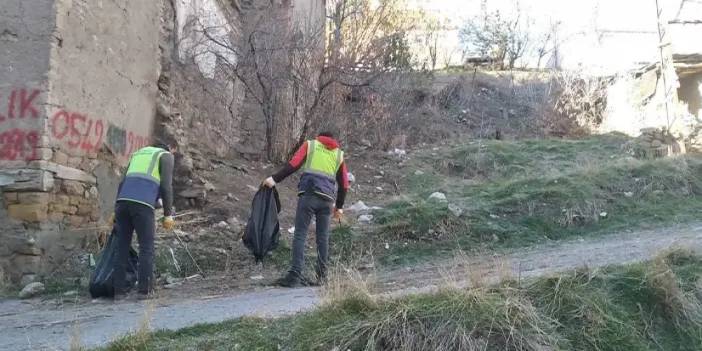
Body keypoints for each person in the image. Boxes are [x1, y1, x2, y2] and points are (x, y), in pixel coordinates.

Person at [263, 131, 350, 287]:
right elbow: (344, 183)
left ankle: (295, 275)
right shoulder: (339, 154)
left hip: (309, 196)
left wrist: (274, 179)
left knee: (300, 234)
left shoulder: (311, 145)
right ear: (333, 140)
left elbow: (293, 165)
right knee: (323, 238)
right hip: (327, 201)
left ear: (320, 137)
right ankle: (322, 277)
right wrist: (340, 207)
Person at [113, 141, 176, 299]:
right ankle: (144, 291)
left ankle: (118, 292)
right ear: (168, 148)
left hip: (122, 203)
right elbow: (166, 186)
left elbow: (124, 182)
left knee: (122, 247)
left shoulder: (138, 154)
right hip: (142, 206)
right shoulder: (165, 155)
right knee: (146, 248)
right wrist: (168, 214)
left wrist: (115, 207)